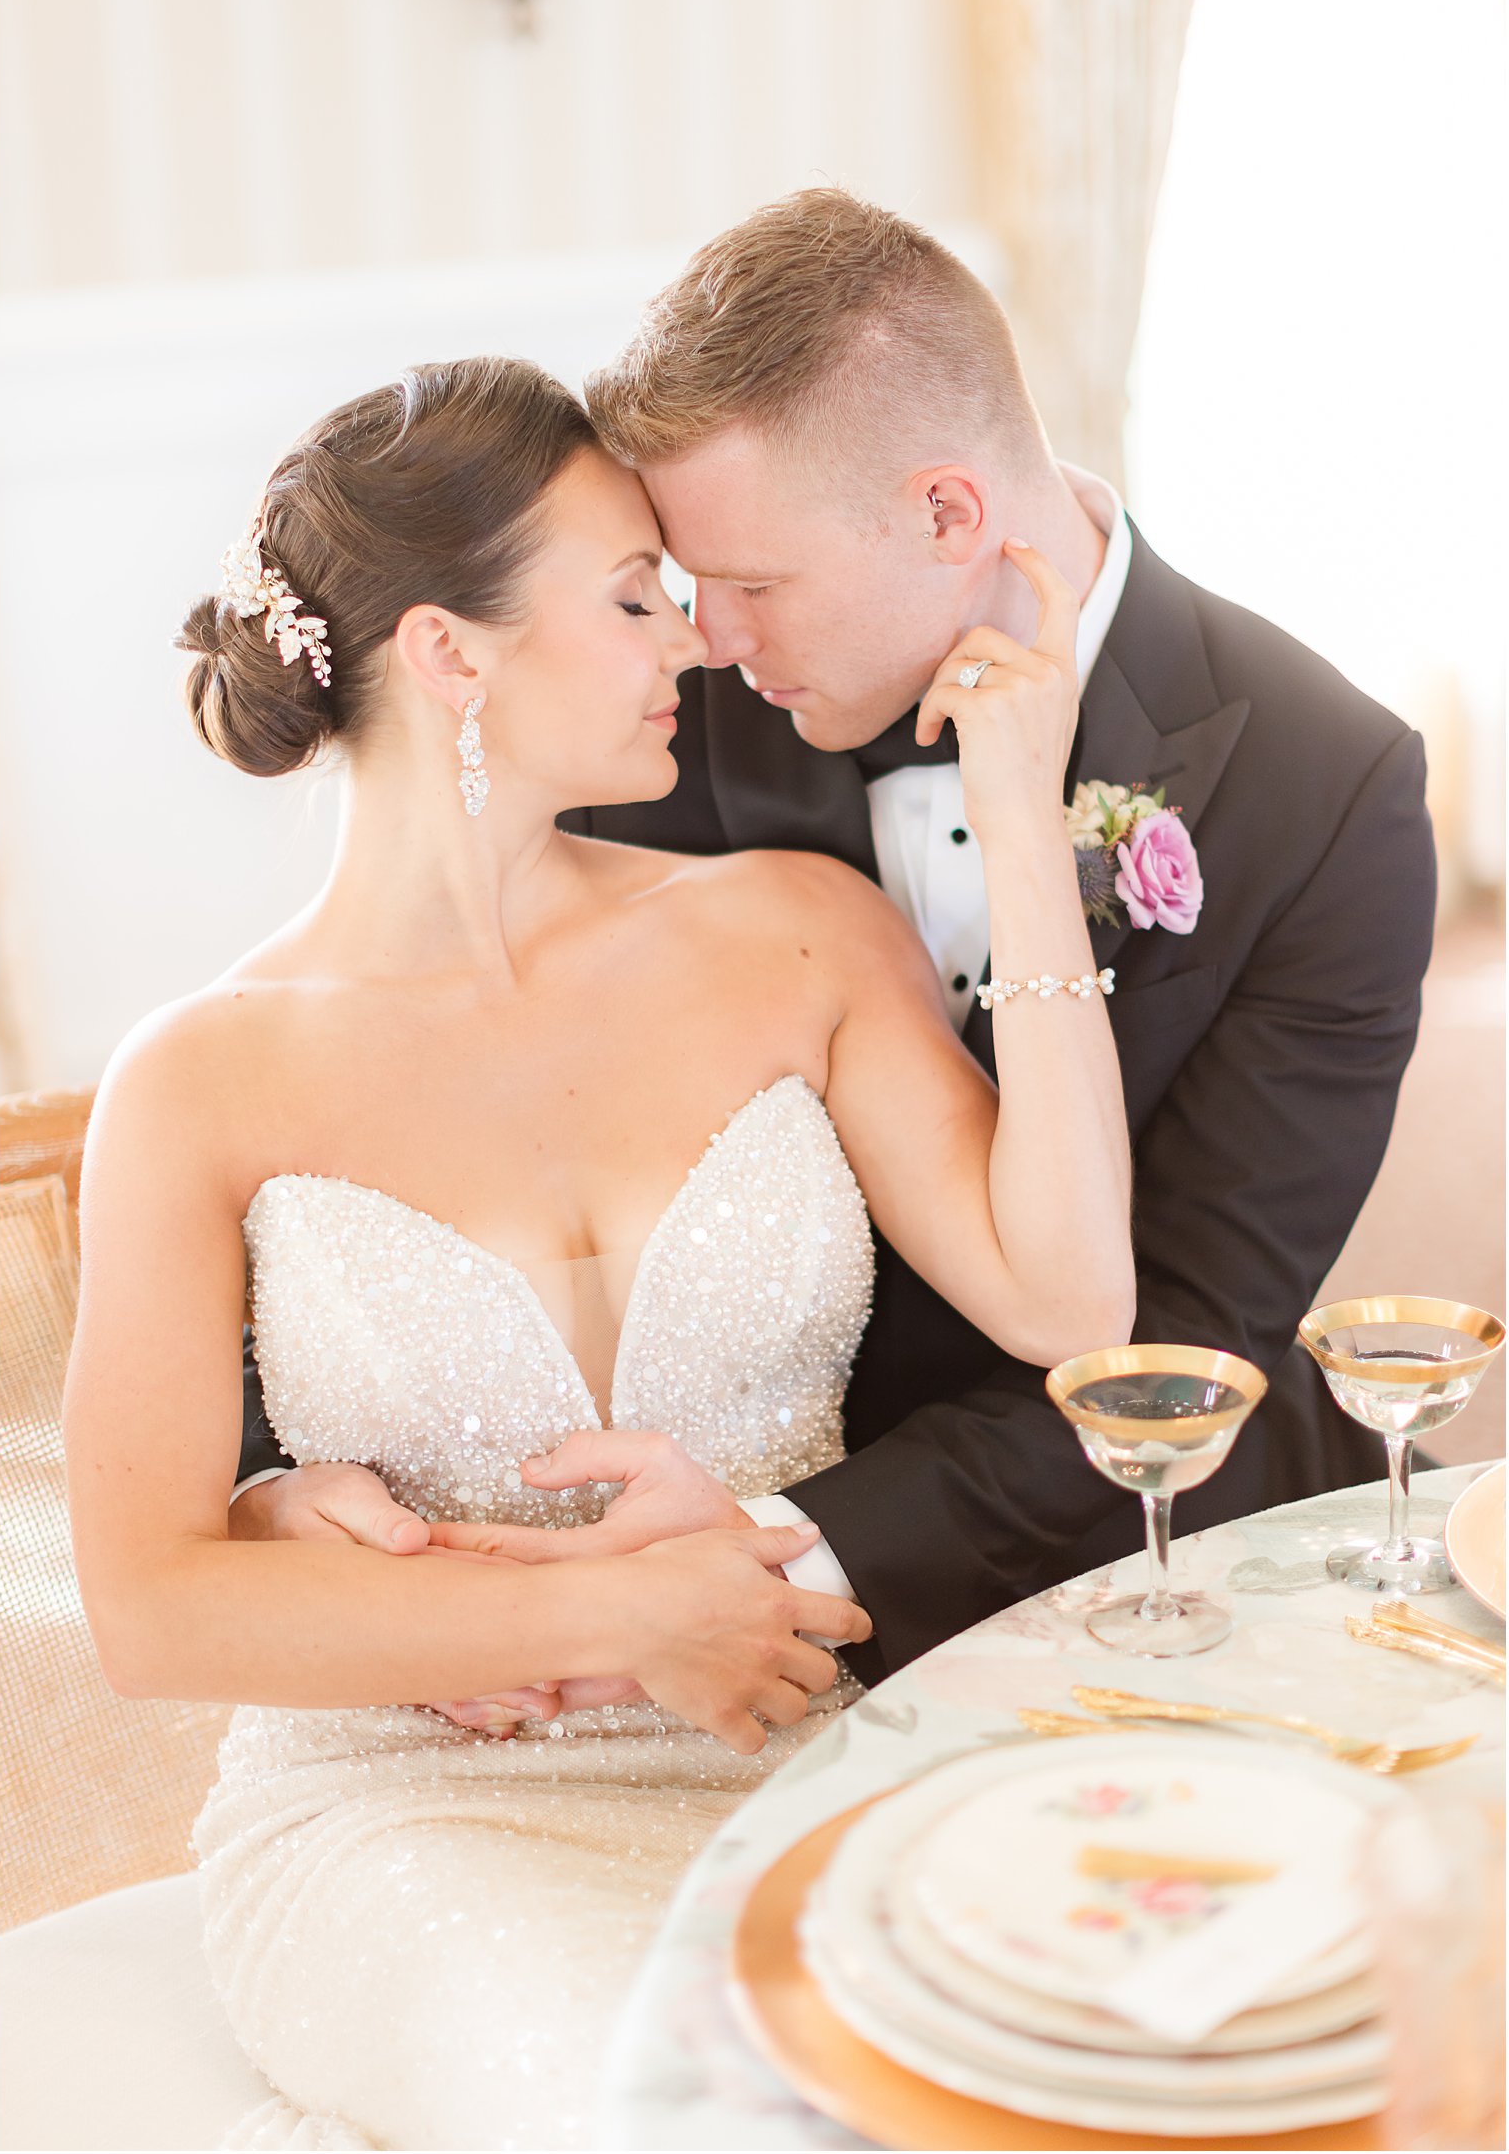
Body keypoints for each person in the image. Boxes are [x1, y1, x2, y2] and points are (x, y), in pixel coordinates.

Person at [64, 352, 1134, 2149]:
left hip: (812, 1735)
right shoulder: (197, 1080)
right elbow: (147, 1602)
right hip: (416, 1813)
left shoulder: (796, 933)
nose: (693, 642)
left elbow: (1072, 1294)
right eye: (637, 596)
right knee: (676, 2098)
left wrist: (1022, 822)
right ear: (449, 653)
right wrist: (626, 1612)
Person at [237, 190, 1436, 1710]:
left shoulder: (1329, 790)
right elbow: (399, 1048)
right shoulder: (651, 712)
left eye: (745, 585)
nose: (703, 638)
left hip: (1156, 1553)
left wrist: (775, 1550)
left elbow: (1179, 1347)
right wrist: (271, 1482)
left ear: (944, 513)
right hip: (666, 1578)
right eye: (676, 585)